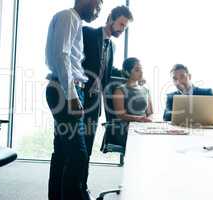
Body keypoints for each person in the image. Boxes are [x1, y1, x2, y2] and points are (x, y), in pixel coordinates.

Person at [45, 0, 102, 199]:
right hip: (64, 90)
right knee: (78, 155)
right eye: (98, 6)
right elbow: (62, 56)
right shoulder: (68, 17)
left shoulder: (73, 20)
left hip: (65, 89)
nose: (98, 13)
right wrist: (72, 95)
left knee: (62, 153)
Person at [82, 5, 134, 157]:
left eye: (125, 27)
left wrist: (131, 76)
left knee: (87, 148)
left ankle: (82, 182)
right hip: (78, 97)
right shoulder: (88, 33)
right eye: (121, 24)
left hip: (94, 103)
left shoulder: (112, 46)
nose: (122, 29)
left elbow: (107, 69)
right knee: (70, 149)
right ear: (111, 18)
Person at [113, 57, 153, 123]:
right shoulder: (120, 90)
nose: (141, 72)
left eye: (141, 69)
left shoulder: (145, 89)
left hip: (144, 126)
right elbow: (120, 115)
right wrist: (139, 119)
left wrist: (149, 122)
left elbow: (150, 113)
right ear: (127, 72)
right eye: (137, 70)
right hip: (128, 127)